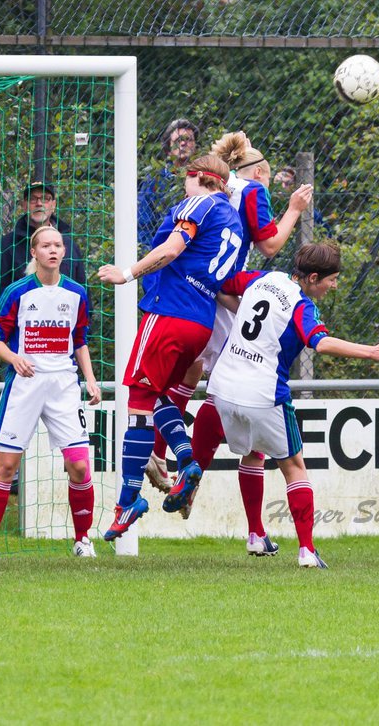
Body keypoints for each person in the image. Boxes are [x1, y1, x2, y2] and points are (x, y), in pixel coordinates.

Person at [203, 243, 379, 567]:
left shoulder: (261, 279)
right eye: (333, 279)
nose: (334, 285)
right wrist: (370, 351)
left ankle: (256, 534)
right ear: (313, 277)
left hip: (223, 388)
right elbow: (320, 342)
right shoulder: (301, 305)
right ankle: (307, 551)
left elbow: (221, 287)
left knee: (253, 454)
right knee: (295, 466)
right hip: (263, 394)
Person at [153, 133, 314, 526]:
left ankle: (161, 451)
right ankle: (188, 468)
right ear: (258, 171)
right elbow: (271, 245)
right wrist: (294, 209)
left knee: (190, 370)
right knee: (226, 379)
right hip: (227, 286)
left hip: (189, 285)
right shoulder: (253, 191)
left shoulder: (211, 185)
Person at [96, 151, 236, 540]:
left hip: (169, 314)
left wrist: (127, 273)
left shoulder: (198, 204)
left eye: (186, 179)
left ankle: (128, 501)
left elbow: (172, 249)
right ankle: (187, 457)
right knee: (154, 394)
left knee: (137, 406)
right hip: (200, 324)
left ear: (198, 177)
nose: (183, 187)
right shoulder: (233, 221)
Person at [0, 225, 101, 559]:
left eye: (58, 245)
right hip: (25, 386)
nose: (53, 250)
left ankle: (83, 540)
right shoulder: (17, 292)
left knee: (80, 467)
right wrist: (15, 358)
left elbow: (80, 340)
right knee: (6, 465)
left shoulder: (76, 293)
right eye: (46, 245)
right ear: (34, 252)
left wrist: (90, 378)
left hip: (63, 386)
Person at [0, 180, 87, 336]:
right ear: (24, 205)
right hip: (21, 343)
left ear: (53, 204)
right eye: (33, 199)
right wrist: (3, 340)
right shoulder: (5, 246)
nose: (39, 203)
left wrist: (80, 338)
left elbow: (83, 295)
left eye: (44, 198)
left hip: (62, 342)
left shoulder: (69, 246)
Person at [137, 119, 200, 248]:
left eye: (188, 139)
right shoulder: (154, 181)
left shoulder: (203, 177)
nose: (183, 143)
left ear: (195, 146)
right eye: (178, 141)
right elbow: (144, 225)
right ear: (168, 149)